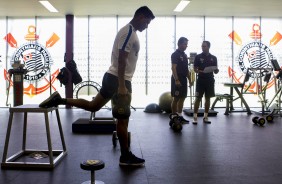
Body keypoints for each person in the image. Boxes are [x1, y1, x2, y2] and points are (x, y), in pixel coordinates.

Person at [39, 6, 155, 166]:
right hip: (118, 80)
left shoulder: (131, 32)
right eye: (147, 22)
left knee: (93, 106)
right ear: (141, 17)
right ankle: (125, 156)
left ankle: (61, 100)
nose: (147, 26)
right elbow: (122, 60)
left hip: (114, 78)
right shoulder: (128, 31)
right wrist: (122, 86)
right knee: (122, 120)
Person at [193, 41, 219, 124]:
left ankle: (206, 116)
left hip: (210, 80)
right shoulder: (198, 57)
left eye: (204, 46)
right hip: (200, 80)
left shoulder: (214, 58)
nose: (203, 47)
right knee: (197, 98)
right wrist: (199, 70)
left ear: (208, 47)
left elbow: (215, 71)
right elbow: (195, 69)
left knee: (207, 98)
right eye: (202, 46)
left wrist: (216, 70)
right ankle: (195, 117)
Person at [170, 37, 191, 123]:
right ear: (180, 44)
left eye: (186, 44)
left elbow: (186, 69)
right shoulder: (175, 54)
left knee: (182, 98)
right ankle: (174, 117)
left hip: (183, 79)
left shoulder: (185, 55)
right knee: (176, 98)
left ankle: (180, 116)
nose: (186, 46)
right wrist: (177, 80)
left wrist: (189, 79)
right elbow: (173, 68)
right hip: (177, 78)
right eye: (185, 44)